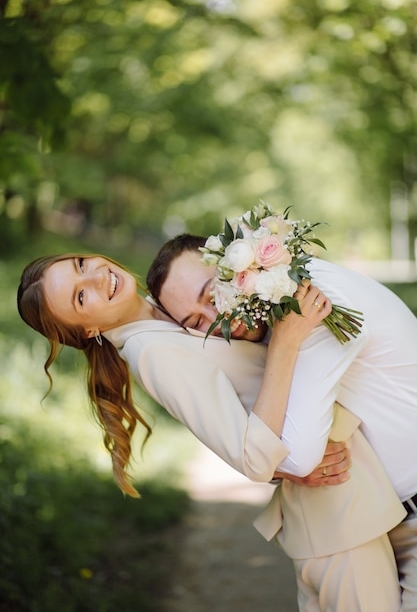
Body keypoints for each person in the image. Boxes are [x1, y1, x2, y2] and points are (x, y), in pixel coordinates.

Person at [17, 252, 405, 611]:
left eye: (82, 264)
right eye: (80, 297)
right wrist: (286, 343)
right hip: (337, 524)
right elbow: (253, 457)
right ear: (88, 330)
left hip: (353, 503)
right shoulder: (153, 352)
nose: (97, 278)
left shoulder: (164, 311)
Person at [147, 233, 417, 611]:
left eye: (212, 297)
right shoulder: (278, 314)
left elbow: (298, 457)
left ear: (239, 268)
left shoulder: (314, 308)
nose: (217, 320)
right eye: (196, 321)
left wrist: (283, 346)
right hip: (392, 512)